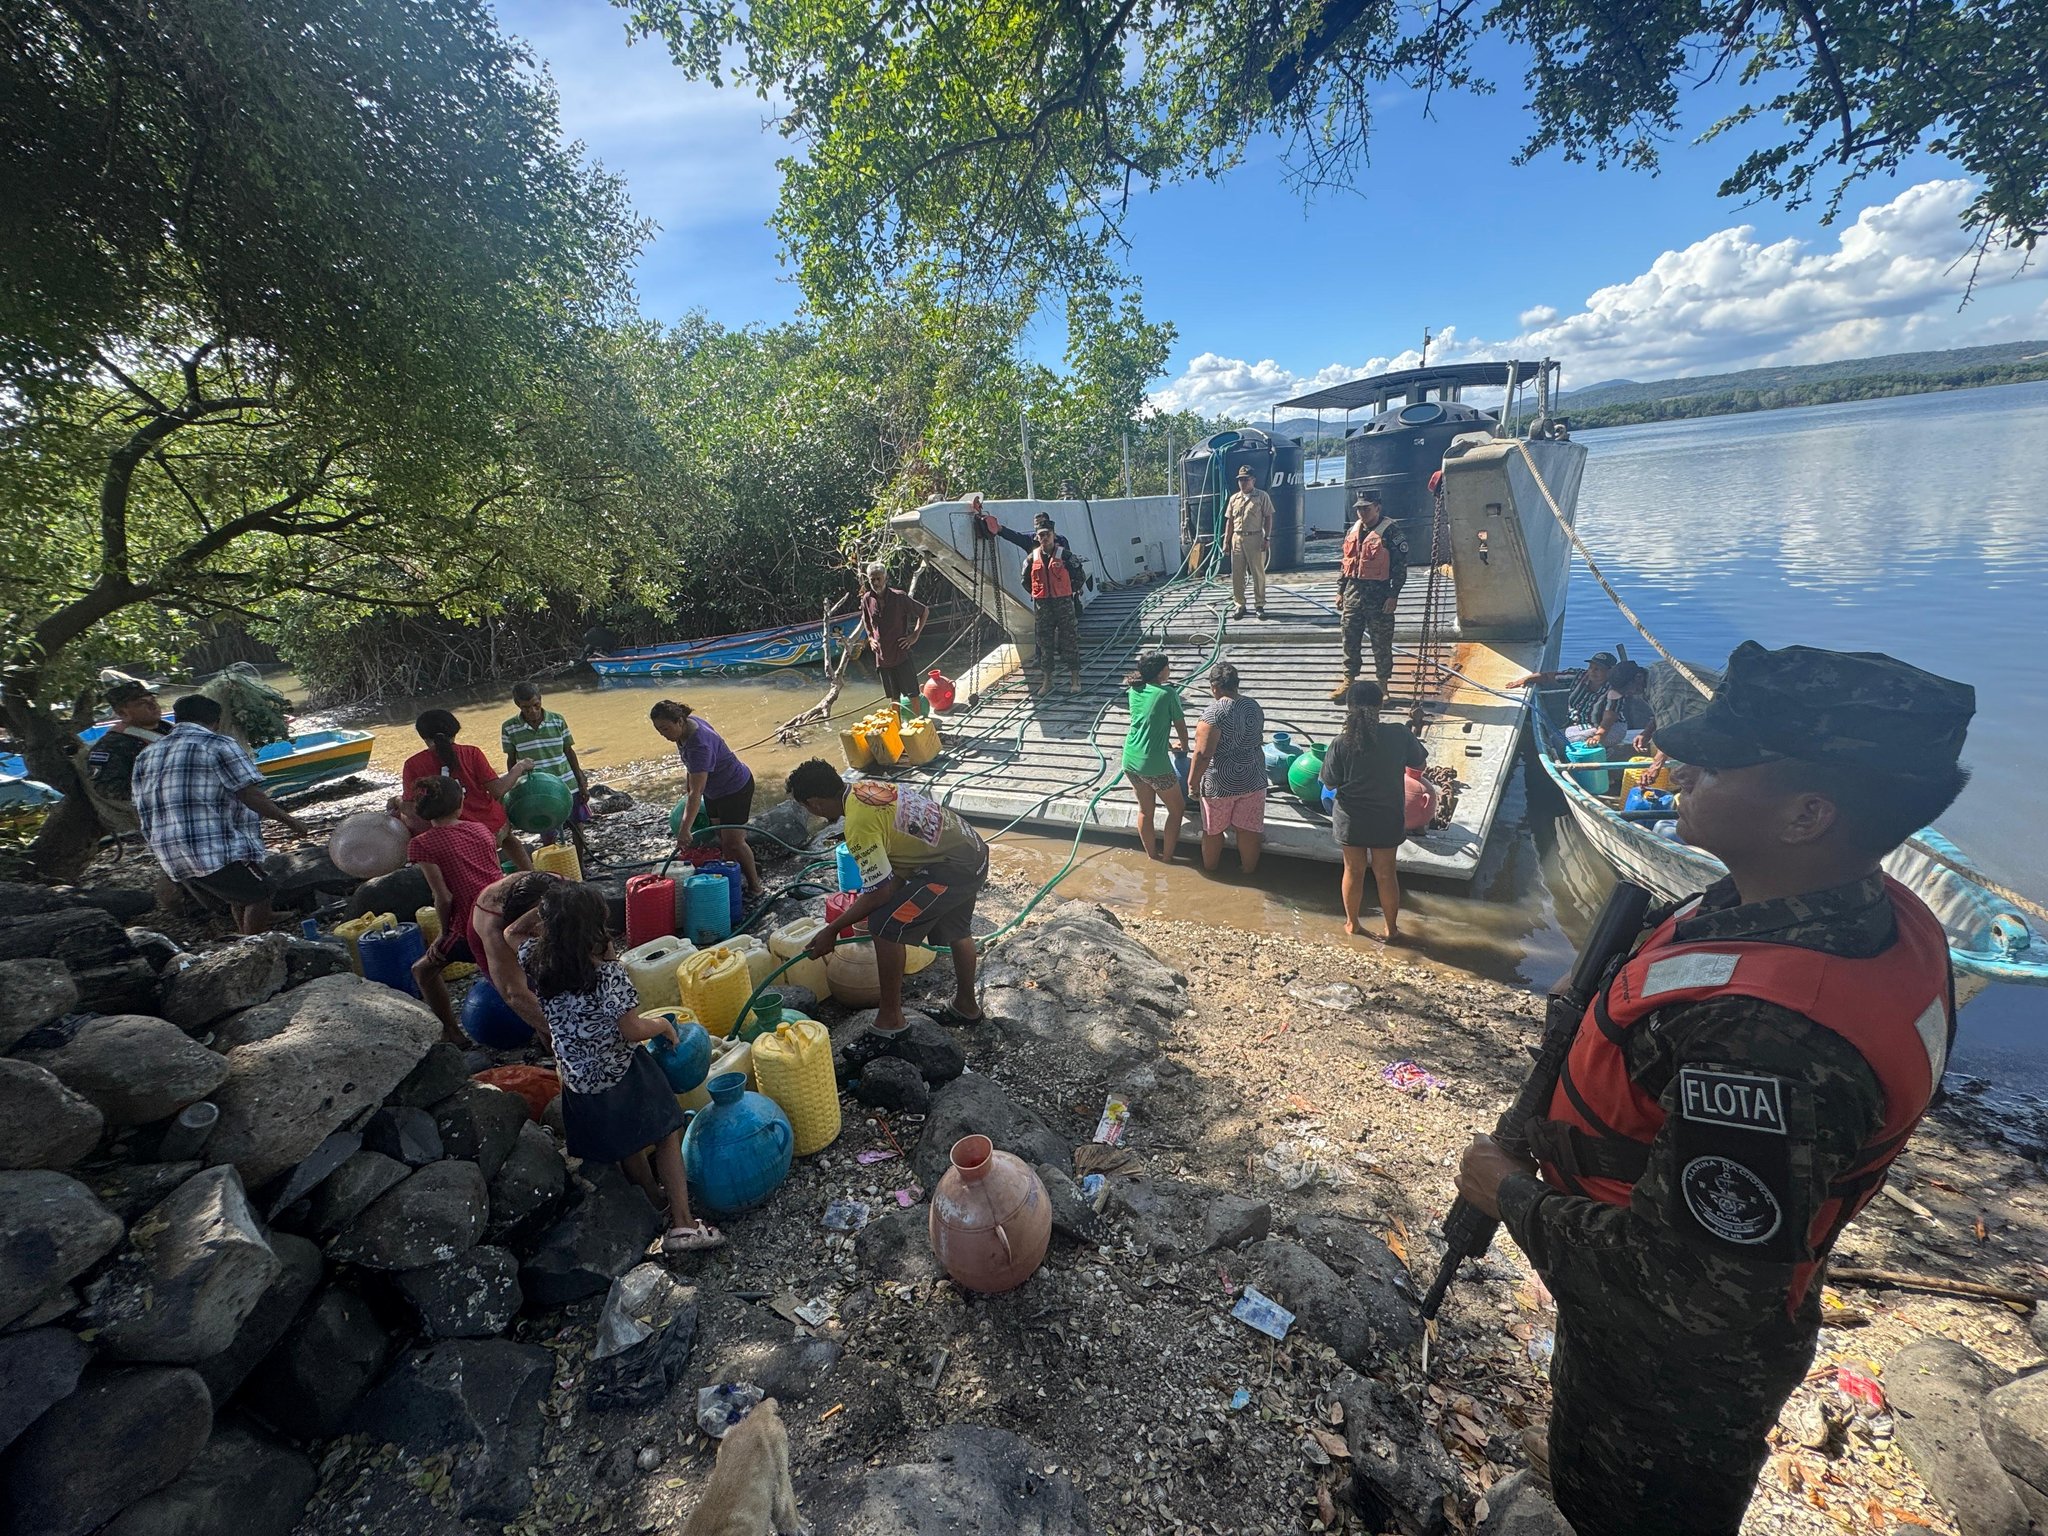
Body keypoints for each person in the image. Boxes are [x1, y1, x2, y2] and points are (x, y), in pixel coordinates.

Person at [1454, 641, 1974, 1536]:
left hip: (1670, 1379)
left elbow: (1687, 1293)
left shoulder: (1772, 1044)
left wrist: (1507, 1194)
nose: (1677, 767)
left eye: (1720, 760)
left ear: (1809, 814)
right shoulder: (1820, 909)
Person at [522, 881, 724, 1253]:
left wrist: (555, 909)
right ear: (593, 929)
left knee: (625, 1138)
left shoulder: (536, 959)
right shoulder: (607, 975)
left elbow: (510, 931)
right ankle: (682, 1223)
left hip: (578, 1080)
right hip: (619, 1074)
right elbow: (631, 1029)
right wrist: (662, 1024)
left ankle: (650, 1194)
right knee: (667, 1130)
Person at [787, 760, 988, 1037]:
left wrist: (832, 930)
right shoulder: (865, 787)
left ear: (815, 803)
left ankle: (891, 1018)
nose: (814, 815)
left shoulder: (859, 825)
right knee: (957, 929)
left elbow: (881, 891)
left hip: (952, 868)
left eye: (808, 808)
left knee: (884, 927)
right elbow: (892, 877)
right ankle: (967, 1006)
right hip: (971, 848)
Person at [131, 694, 313, 934]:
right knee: (263, 891)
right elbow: (249, 794)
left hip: (168, 849)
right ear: (216, 721)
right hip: (207, 845)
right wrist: (290, 821)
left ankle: (245, 931)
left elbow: (139, 805)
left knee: (240, 890)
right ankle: (255, 946)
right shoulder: (217, 744)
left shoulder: (147, 754)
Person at [405, 776, 512, 1044]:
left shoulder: (422, 844)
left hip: (468, 923)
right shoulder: (480, 830)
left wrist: (443, 934)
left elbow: (443, 896)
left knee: (423, 971)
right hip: (504, 909)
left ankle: (452, 1032)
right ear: (460, 803)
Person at [1320, 679, 1427, 943]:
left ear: (1349, 706)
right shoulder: (1400, 735)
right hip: (1387, 816)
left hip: (1351, 819)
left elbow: (1329, 781)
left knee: (1353, 871)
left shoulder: (1340, 743)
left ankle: (1353, 924)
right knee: (1386, 873)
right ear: (1381, 705)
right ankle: (1391, 928)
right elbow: (1419, 762)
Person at [649, 700, 763, 898]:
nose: (663, 734)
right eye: (659, 730)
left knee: (735, 842)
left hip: (735, 788)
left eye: (665, 729)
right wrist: (688, 789)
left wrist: (684, 830)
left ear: (679, 721)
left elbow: (696, 792)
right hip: (714, 790)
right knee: (722, 838)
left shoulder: (699, 744)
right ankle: (734, 877)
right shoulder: (684, 728)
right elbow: (691, 769)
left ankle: (756, 886)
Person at [399, 709, 532, 872]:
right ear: (455, 731)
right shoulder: (471, 753)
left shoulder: (413, 764)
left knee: (486, 869)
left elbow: (410, 810)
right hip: (493, 827)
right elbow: (498, 790)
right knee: (509, 840)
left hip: (451, 837)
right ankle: (533, 874)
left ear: (423, 737)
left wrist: (398, 803)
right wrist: (519, 767)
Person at [988, 511, 1084, 693]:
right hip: (1043, 607)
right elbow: (1025, 580)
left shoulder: (1065, 555)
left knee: (1070, 640)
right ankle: (1047, 681)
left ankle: (1075, 679)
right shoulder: (1031, 558)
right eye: (1040, 535)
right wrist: (1036, 592)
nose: (1044, 538)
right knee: (1044, 644)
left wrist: (1068, 590)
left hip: (1063, 605)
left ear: (1053, 535)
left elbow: (1079, 574)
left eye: (1047, 534)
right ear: (1037, 537)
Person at [1186, 662, 1266, 875]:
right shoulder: (1254, 706)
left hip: (1220, 784)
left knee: (1213, 831)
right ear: (1236, 684)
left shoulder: (1213, 714)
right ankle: (1248, 871)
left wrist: (1192, 782)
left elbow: (1203, 755)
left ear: (1214, 687)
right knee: (1248, 830)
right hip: (1253, 777)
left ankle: (1211, 872)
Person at [501, 682, 590, 858]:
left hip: (566, 783)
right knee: (547, 831)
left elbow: (569, 752)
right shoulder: (509, 727)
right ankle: (555, 868)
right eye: (526, 708)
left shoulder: (557, 720)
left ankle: (580, 865)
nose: (532, 711)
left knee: (577, 826)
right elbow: (511, 760)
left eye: (536, 705)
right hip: (538, 789)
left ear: (540, 700)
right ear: (518, 705)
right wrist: (510, 790)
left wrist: (581, 783)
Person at [1334, 492, 1408, 698]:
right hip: (1353, 595)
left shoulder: (1391, 532)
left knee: (1381, 643)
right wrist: (1340, 591)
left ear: (1378, 507)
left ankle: (1383, 685)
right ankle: (1349, 680)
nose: (1362, 512)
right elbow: (1346, 563)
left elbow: (1400, 568)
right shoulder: (1353, 530)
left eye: (1366, 508)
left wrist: (1394, 596)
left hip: (1379, 597)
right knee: (1349, 639)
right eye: (1359, 508)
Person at [1121, 652, 1189, 862]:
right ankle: (1168, 859)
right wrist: (1183, 747)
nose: (1170, 670)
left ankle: (1152, 858)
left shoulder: (1134, 690)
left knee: (1145, 811)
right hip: (1155, 766)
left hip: (1131, 761)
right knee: (1177, 810)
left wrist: (1167, 745)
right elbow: (1180, 726)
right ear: (1161, 672)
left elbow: (1148, 723)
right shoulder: (1168, 693)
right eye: (1168, 667)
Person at [84, 680, 173, 816]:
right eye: (142, 703)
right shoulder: (110, 746)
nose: (153, 705)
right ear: (123, 713)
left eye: (152, 699)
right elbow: (108, 789)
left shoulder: (173, 729)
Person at [860, 561, 930, 701]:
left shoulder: (899, 597)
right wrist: (870, 638)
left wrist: (914, 635)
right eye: (872, 579)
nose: (876, 582)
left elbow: (924, 611)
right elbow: (865, 619)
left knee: (913, 694)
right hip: (882, 656)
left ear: (885, 578)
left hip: (900, 651)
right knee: (893, 697)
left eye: (878, 578)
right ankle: (896, 723)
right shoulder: (867, 599)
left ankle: (918, 722)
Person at [1510, 650, 1617, 729]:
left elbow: (1610, 717)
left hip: (1601, 728)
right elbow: (1548, 677)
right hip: (1575, 724)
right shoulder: (1578, 676)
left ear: (1610, 671)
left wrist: (1599, 734)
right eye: (1591, 667)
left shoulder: (1615, 688)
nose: (1592, 672)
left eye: (1598, 669)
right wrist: (1527, 679)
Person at [1223, 465, 1274, 619]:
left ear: (1253, 480)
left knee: (1258, 573)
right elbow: (1229, 522)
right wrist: (1226, 542)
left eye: (1246, 479)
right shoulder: (1234, 499)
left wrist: (1267, 538)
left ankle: (1259, 605)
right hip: (1237, 539)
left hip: (1255, 537)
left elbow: (1269, 517)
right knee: (1237, 574)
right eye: (1240, 480)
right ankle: (1239, 604)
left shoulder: (1262, 496)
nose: (1243, 483)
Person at [1593, 658, 1654, 750]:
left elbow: (1669, 721)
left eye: (1627, 690)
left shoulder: (1660, 692)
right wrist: (1646, 733)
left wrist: (1660, 758)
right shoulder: (1640, 685)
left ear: (1639, 677)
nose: (1627, 694)